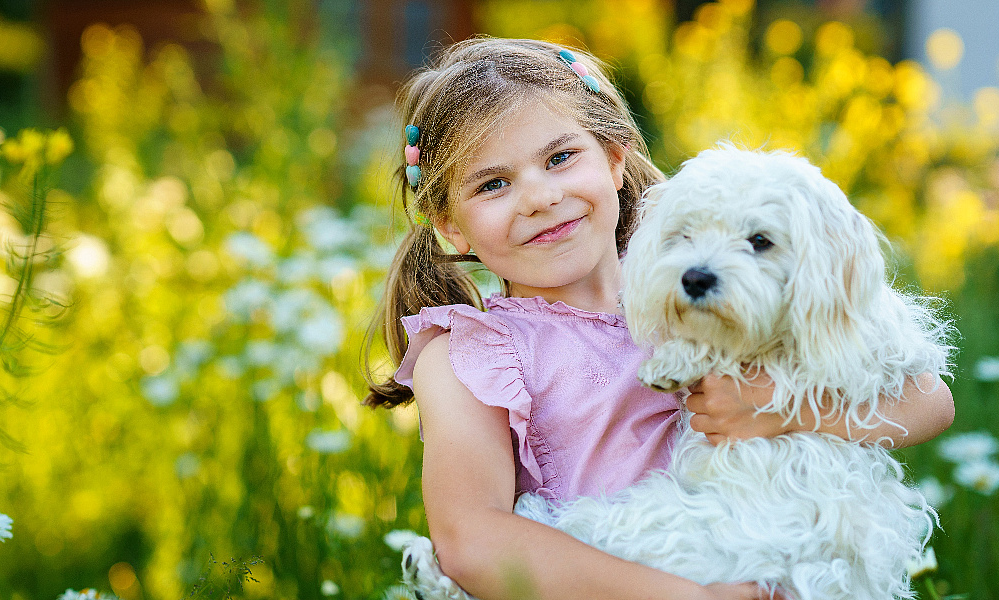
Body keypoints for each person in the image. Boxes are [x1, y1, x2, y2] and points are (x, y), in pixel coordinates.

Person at [362, 37, 954, 600]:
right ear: (450, 226)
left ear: (615, 161)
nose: (540, 197)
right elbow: (471, 540)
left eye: (561, 158)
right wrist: (688, 596)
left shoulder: (697, 293)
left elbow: (929, 401)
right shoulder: (476, 354)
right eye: (494, 183)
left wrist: (776, 409)